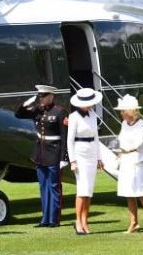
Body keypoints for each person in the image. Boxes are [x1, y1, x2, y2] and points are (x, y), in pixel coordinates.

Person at [15, 85, 69, 227]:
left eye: (43, 96)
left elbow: (65, 137)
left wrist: (64, 157)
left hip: (54, 153)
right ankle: (45, 219)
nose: (41, 99)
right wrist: (25, 104)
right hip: (40, 153)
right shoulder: (37, 110)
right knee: (43, 187)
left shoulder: (60, 112)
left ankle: (54, 219)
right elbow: (18, 115)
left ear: (51, 96)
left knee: (54, 187)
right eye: (40, 96)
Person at [114, 94, 143, 233]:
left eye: (123, 111)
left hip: (138, 161)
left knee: (142, 193)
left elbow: (140, 142)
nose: (121, 113)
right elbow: (122, 140)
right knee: (128, 193)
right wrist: (120, 152)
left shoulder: (141, 124)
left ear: (130, 111)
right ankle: (134, 222)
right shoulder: (124, 124)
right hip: (126, 161)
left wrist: (126, 149)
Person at [67, 87, 103, 234]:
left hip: (92, 152)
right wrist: (73, 160)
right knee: (82, 190)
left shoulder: (93, 115)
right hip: (80, 153)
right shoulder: (74, 117)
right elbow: (70, 140)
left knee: (89, 191)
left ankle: (85, 221)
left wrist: (99, 158)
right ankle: (78, 221)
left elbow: (96, 137)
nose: (90, 105)